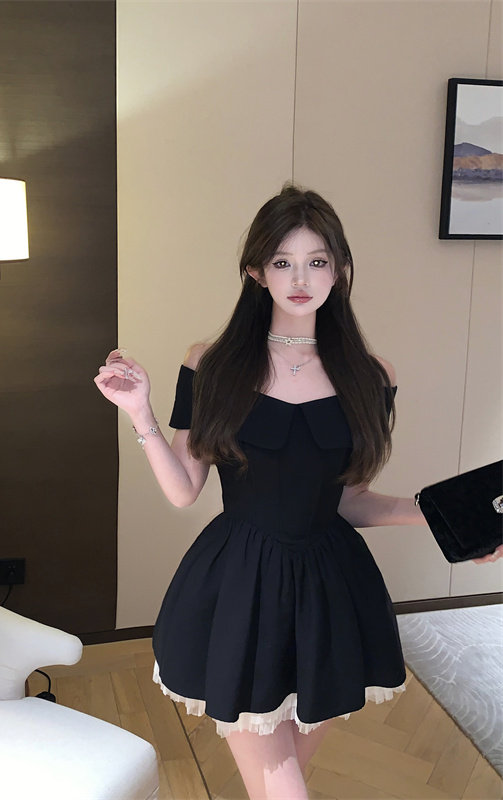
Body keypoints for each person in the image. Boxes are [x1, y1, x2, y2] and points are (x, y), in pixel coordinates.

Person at [94, 184, 503, 800]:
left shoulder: (371, 376)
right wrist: (140, 412)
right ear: (256, 271)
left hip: (330, 592)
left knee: (281, 785)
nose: (301, 278)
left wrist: (455, 523)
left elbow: (351, 501)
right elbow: (184, 490)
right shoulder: (211, 363)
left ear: (339, 270)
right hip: (239, 587)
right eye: (283, 261)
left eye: (317, 260)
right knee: (285, 790)